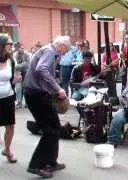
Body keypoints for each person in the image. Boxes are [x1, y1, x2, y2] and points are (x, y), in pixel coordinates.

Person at [23, 36, 71, 178]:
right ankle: (36, 165)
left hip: (37, 94)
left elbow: (44, 72)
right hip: (36, 95)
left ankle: (50, 161)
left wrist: (54, 87)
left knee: (55, 126)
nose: (65, 53)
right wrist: (57, 89)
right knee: (50, 130)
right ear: (61, 46)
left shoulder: (48, 51)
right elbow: (42, 69)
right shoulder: (50, 52)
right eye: (66, 50)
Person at [0, 33, 19, 164]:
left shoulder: (11, 61)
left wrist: (16, 80)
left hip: (8, 97)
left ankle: (7, 150)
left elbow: (11, 80)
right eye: (9, 43)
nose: (11, 46)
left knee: (10, 126)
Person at [13, 42, 30, 108]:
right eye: (16, 47)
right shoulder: (15, 54)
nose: (18, 49)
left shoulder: (26, 54)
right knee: (18, 88)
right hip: (18, 73)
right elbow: (14, 64)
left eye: (18, 47)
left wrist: (18, 65)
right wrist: (18, 66)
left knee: (26, 88)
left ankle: (27, 103)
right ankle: (19, 103)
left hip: (26, 72)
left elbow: (27, 64)